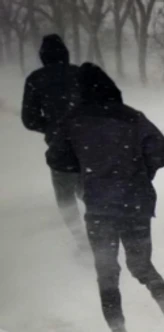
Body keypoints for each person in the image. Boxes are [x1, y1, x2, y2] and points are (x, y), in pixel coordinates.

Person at [46, 63, 164, 332]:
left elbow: (57, 159)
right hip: (136, 203)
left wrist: (84, 170)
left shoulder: (74, 121)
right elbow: (160, 149)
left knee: (107, 270)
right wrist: (141, 172)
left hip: (99, 206)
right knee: (139, 263)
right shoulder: (132, 117)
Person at [21, 34, 86, 250]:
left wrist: (50, 127)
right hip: (87, 146)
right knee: (90, 192)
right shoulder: (80, 75)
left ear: (43, 57)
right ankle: (103, 235)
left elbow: (29, 119)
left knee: (66, 198)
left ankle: (81, 240)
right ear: (65, 54)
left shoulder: (35, 80)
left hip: (60, 150)